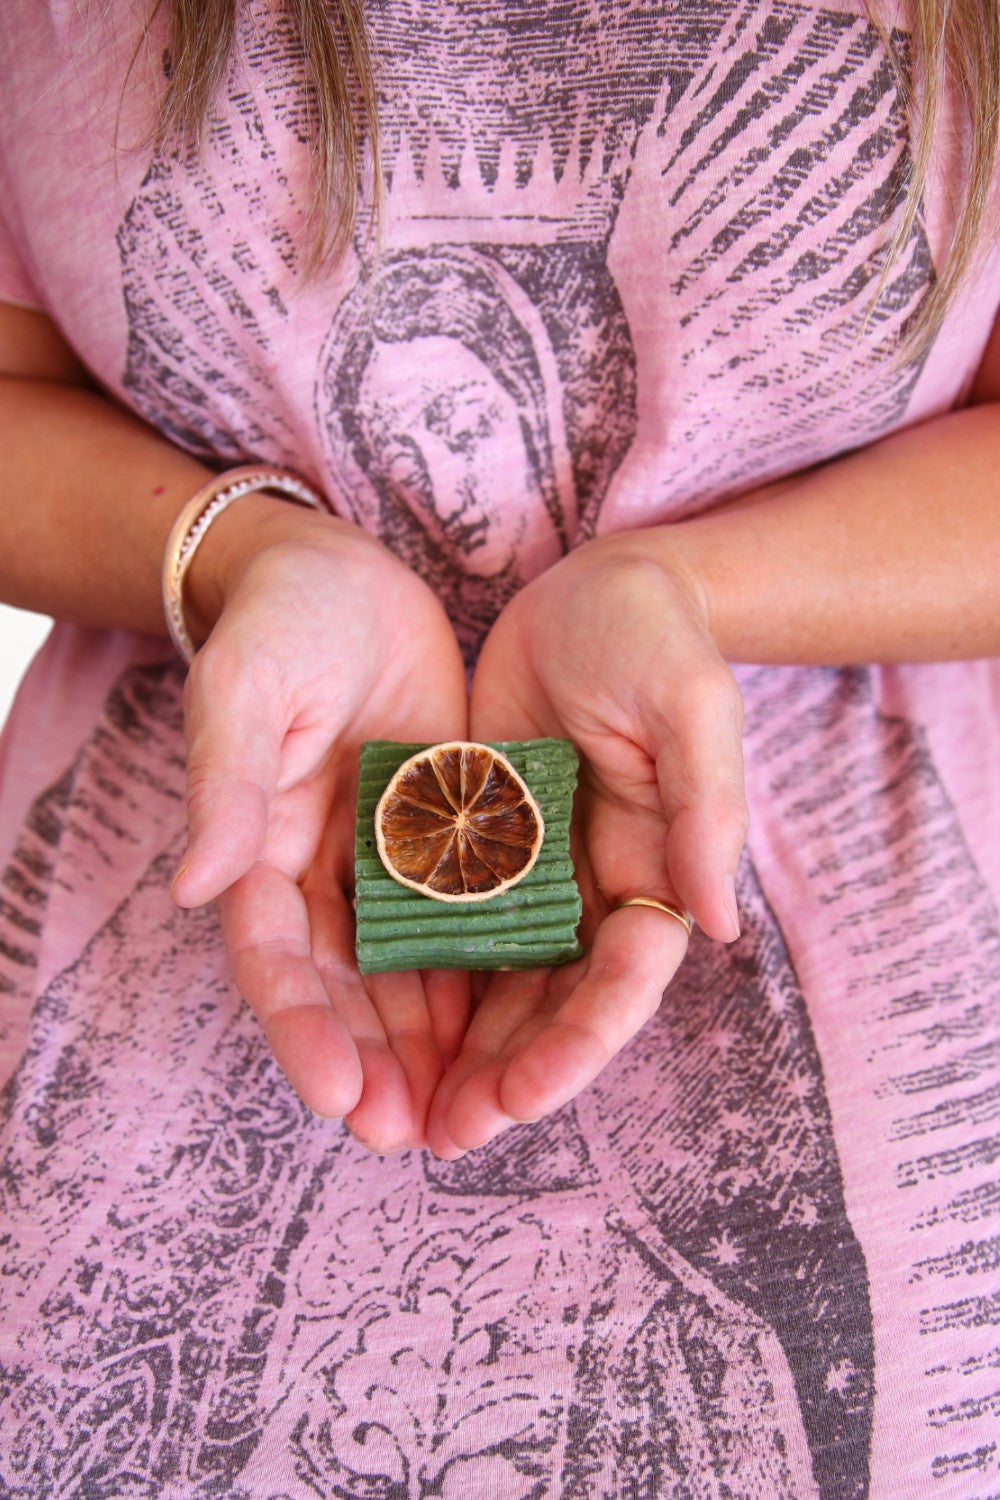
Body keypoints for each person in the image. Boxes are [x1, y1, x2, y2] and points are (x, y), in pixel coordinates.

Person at [0, 1, 997, 1495]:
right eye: (404, 431)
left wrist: (685, 592)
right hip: (212, 947)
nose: (436, 476)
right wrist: (245, 560)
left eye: (466, 422)